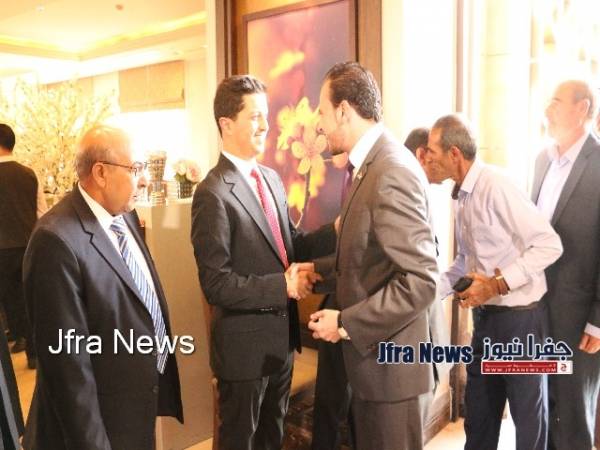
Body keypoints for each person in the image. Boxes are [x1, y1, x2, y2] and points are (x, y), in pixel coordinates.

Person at [191, 74, 337, 450]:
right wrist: (282, 286)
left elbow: (293, 244)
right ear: (226, 124)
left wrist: (339, 228)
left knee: (273, 439)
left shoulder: (269, 179)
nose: (265, 125)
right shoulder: (212, 193)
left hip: (280, 345)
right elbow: (216, 284)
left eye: (266, 116)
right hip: (242, 353)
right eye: (255, 116)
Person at [22, 125, 183, 450]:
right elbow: (68, 370)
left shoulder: (123, 215)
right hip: (97, 429)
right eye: (135, 168)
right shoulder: (56, 240)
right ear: (100, 173)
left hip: (132, 413)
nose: (144, 179)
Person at [308, 62, 438, 450]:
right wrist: (315, 271)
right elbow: (368, 258)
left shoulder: (389, 170)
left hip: (392, 375)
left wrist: (345, 322)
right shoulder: (369, 167)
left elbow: (421, 281)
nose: (318, 124)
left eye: (322, 112)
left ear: (343, 111)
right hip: (375, 370)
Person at [425, 114, 563, 450]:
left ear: (454, 154)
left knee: (528, 427)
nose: (427, 158)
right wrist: (427, 294)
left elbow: (549, 245)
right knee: (480, 420)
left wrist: (496, 285)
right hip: (486, 322)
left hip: (521, 324)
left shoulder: (497, 185)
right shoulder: (462, 197)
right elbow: (466, 261)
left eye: (432, 151)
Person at [531, 79, 600, 450]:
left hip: (579, 319)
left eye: (555, 102)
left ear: (582, 109)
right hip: (536, 309)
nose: (547, 110)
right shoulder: (542, 160)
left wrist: (598, 320)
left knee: (572, 418)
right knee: (540, 409)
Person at [0, 123, 46, 368]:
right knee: (29, 299)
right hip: (28, 246)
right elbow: (42, 213)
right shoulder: (29, 173)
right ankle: (34, 354)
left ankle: (14, 346)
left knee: (8, 302)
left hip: (1, 250)